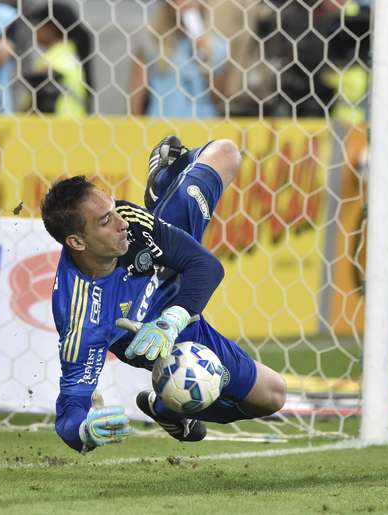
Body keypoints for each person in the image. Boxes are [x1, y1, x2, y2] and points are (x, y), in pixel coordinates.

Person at [40, 136, 287, 453]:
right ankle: (170, 407)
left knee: (226, 153)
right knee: (272, 396)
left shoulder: (130, 223)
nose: (121, 222)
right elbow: (70, 411)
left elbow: (204, 266)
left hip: (177, 294)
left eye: (113, 209)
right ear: (77, 243)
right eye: (106, 221)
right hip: (172, 341)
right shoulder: (82, 318)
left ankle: (162, 183)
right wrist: (84, 432)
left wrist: (173, 316)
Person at [128, 0, 227, 118]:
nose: (188, 3)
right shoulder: (152, 42)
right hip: (161, 124)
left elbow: (218, 97)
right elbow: (136, 97)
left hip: (203, 124)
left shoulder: (218, 47)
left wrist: (206, 55)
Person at [22, 1, 93, 116]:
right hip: (74, 126)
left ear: (51, 28)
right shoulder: (72, 56)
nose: (34, 29)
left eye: (37, 24)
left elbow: (37, 104)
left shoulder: (53, 60)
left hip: (56, 127)